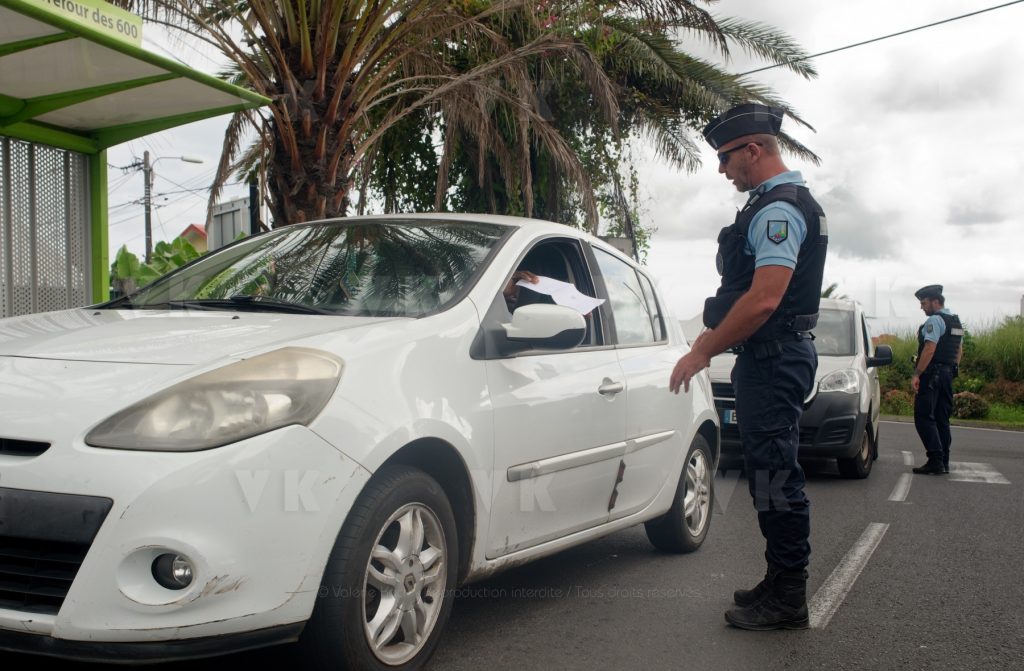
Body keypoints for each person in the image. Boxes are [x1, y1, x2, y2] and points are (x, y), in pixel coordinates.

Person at [668, 103, 828, 631]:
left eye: (726, 157)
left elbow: (763, 301)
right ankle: (779, 579)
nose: (722, 169)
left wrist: (701, 352)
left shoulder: (778, 211)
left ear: (753, 151)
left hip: (774, 359)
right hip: (772, 359)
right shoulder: (776, 203)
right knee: (768, 473)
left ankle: (789, 596)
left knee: (776, 475)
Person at [910, 284, 963, 475]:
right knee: (942, 418)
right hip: (948, 374)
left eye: (923, 303)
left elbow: (929, 348)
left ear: (935, 302)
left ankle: (935, 459)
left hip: (932, 375)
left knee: (923, 416)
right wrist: (951, 371)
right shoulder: (955, 322)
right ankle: (944, 461)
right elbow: (958, 351)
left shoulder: (935, 320)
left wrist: (917, 374)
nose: (922, 307)